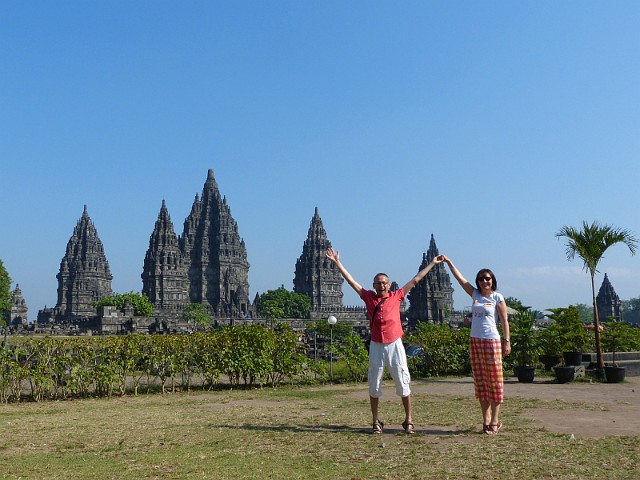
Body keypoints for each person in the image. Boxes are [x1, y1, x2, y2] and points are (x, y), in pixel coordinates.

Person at [326, 247, 444, 434]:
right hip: (376, 344)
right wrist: (337, 263)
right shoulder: (368, 298)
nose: (381, 285)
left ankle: (409, 420)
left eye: (384, 283)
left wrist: (432, 264)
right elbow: (351, 281)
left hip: (395, 343)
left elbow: (416, 280)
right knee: (374, 383)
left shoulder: (397, 296)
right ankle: (375, 421)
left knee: (403, 381)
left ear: (389, 285)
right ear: (374, 285)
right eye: (378, 283)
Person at [440, 255, 510, 434]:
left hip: (492, 341)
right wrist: (449, 263)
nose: (484, 281)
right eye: (481, 278)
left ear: (492, 280)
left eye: (488, 278)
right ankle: (485, 420)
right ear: (478, 282)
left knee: (495, 381)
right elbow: (460, 279)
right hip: (475, 341)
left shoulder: (497, 297)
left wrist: (506, 341)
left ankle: (495, 420)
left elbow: (504, 320)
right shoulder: (475, 294)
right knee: (481, 382)